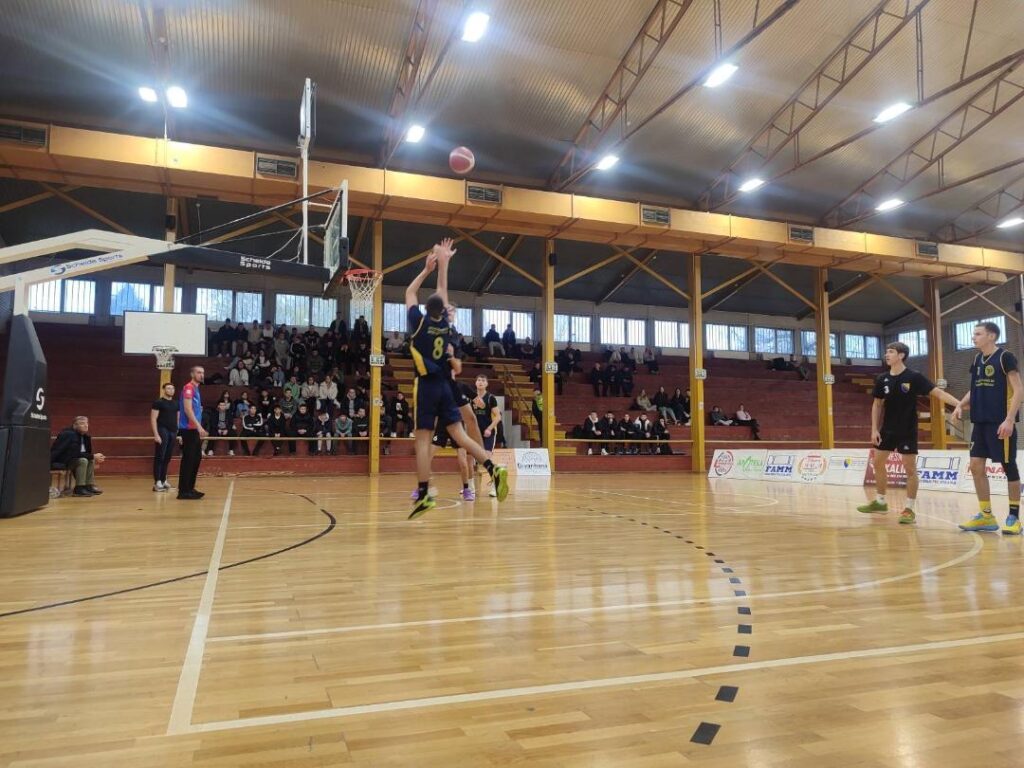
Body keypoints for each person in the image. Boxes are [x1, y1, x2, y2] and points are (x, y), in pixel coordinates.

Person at [406, 238, 508, 518]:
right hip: (446, 386)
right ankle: (493, 468)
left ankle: (424, 493)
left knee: (422, 440)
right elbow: (442, 289)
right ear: (443, 311)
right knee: (460, 435)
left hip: (427, 385)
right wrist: (443, 263)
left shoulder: (419, 323)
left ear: (426, 310)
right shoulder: (447, 327)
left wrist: (426, 269)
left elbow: (410, 292)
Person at [857, 342, 960, 524]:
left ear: (901, 355)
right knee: (877, 463)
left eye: (891, 352)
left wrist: (959, 403)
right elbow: (877, 404)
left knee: (910, 469)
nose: (886, 355)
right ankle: (880, 502)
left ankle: (909, 509)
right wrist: (874, 429)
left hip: (907, 429)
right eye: (886, 352)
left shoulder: (914, 377)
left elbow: (938, 393)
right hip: (887, 429)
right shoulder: (882, 378)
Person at [953, 322, 1023, 533]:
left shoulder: (1005, 357)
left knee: (1008, 466)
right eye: (974, 333)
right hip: (980, 422)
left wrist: (1009, 419)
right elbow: (974, 388)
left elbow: (1018, 390)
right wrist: (960, 404)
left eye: (978, 333)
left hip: (1000, 422)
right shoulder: (977, 359)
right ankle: (986, 516)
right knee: (976, 466)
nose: (973, 337)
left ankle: (1014, 517)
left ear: (991, 336)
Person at [50, 416, 105, 496]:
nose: (86, 425)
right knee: (83, 460)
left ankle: (88, 486)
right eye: (82, 423)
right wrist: (93, 456)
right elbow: (74, 454)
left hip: (73, 460)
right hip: (61, 461)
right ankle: (79, 488)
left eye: (87, 423)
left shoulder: (85, 437)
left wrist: (94, 458)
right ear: (75, 425)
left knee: (90, 460)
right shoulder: (69, 434)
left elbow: (86, 454)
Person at [177, 366, 207, 499]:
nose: (201, 375)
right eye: (199, 372)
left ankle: (190, 488)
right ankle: (183, 491)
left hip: (194, 429)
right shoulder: (188, 388)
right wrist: (199, 427)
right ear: (192, 374)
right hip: (188, 429)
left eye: (203, 373)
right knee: (188, 459)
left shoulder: (196, 389)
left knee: (196, 458)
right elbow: (187, 409)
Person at [472, 375, 502, 496]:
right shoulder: (472, 398)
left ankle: (495, 485)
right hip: (475, 433)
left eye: (483, 380)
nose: (480, 382)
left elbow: (498, 416)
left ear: (486, 384)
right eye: (479, 380)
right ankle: (469, 487)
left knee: (487, 458)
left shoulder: (490, 398)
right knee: (471, 461)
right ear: (475, 383)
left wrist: (489, 428)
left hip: (489, 433)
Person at [150, 382, 178, 492]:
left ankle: (163, 479)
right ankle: (157, 482)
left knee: (167, 457)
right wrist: (156, 434)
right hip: (162, 430)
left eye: (172, 388)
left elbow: (177, 418)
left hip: (173, 431)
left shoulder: (176, 403)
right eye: (168, 388)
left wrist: (178, 432)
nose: (171, 390)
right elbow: (153, 418)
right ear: (164, 390)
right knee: (160, 456)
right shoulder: (158, 402)